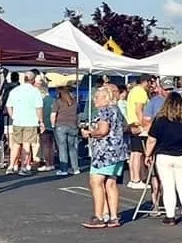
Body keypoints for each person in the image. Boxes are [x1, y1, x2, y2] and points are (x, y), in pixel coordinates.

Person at [144, 91, 182, 225]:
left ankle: (170, 217)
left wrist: (147, 154)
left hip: (164, 156)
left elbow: (151, 140)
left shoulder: (159, 120)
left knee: (168, 187)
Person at [84, 82, 130, 228]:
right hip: (118, 150)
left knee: (96, 182)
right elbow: (124, 126)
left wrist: (90, 133)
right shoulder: (117, 109)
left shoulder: (105, 110)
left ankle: (98, 216)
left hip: (105, 152)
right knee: (111, 183)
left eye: (97, 97)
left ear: (105, 98)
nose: (94, 100)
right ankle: (113, 216)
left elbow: (103, 130)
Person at [4, 73, 45, 175]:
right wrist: (41, 121)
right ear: (33, 80)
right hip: (31, 121)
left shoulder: (15, 91)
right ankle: (23, 167)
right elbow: (39, 108)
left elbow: (9, 106)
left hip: (17, 121)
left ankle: (11, 166)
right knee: (26, 144)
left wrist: (13, 116)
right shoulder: (35, 92)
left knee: (16, 144)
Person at [51, 80, 82, 176]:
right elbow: (78, 114)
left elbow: (53, 115)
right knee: (72, 148)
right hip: (73, 126)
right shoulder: (74, 103)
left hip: (61, 125)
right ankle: (75, 168)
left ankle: (64, 169)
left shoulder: (58, 102)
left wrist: (53, 125)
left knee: (62, 148)